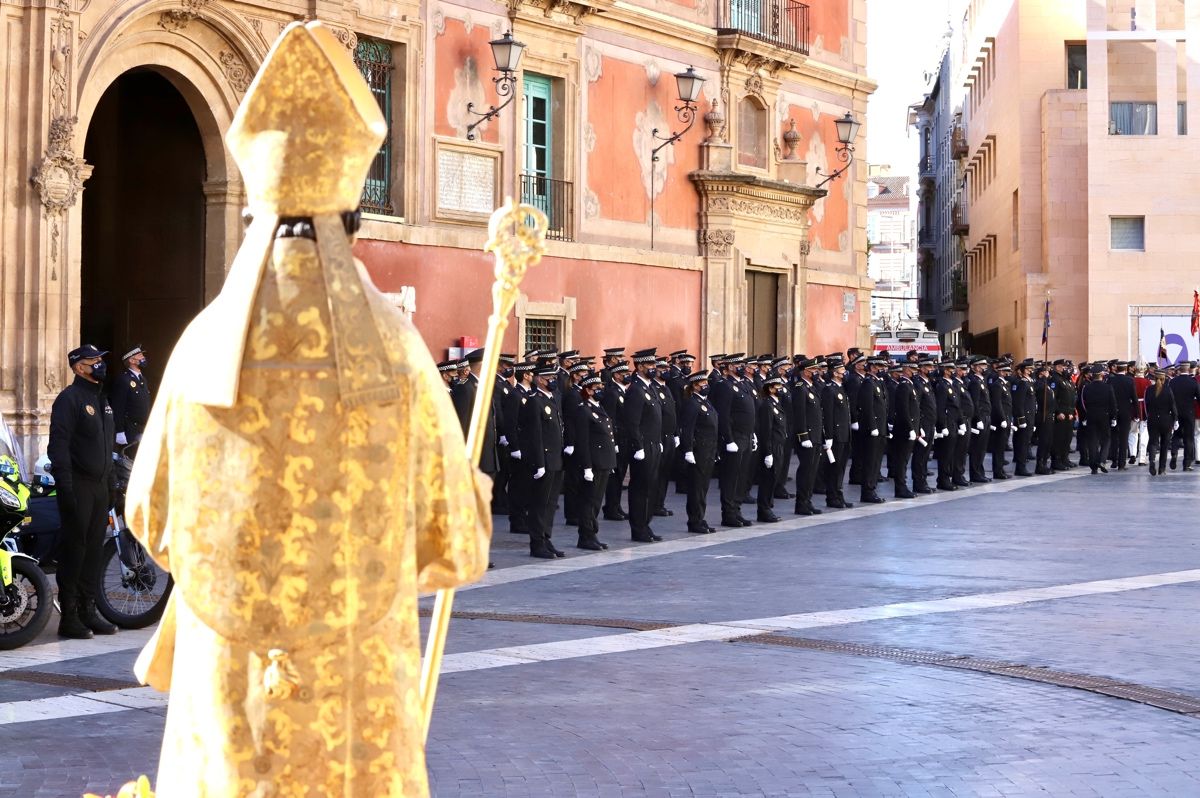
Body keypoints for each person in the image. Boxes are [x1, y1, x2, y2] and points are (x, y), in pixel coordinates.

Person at [48, 344, 118, 639]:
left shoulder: (101, 400)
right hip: (78, 485)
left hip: (100, 487)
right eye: (94, 361)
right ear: (79, 367)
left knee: (92, 551)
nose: (100, 364)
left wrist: (111, 483)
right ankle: (70, 616)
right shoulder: (69, 399)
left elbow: (107, 446)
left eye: (101, 360)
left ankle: (89, 611)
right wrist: (66, 488)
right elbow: (59, 447)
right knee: (74, 551)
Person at [520, 365, 566, 558]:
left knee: (550, 503)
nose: (552, 381)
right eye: (548, 378)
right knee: (539, 503)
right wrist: (539, 462)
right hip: (544, 460)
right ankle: (537, 544)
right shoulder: (534, 402)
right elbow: (535, 435)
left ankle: (546, 538)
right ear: (539, 380)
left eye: (553, 377)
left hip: (556, 459)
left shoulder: (553, 399)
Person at [622, 348, 664, 542]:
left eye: (654, 364)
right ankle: (638, 528)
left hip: (653, 444)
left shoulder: (649, 387)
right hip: (643, 447)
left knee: (650, 487)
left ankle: (646, 524)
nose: (653, 368)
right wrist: (638, 446)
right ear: (639, 367)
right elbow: (632, 422)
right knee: (640, 488)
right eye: (650, 365)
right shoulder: (635, 390)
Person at [568, 375, 614, 550]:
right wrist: (587, 467)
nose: (600, 390)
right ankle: (586, 536)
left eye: (601, 387)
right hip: (593, 463)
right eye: (597, 388)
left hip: (603, 462)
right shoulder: (583, 410)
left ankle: (592, 533)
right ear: (587, 390)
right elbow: (583, 441)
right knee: (588, 501)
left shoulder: (598, 407)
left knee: (596, 501)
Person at [711, 355, 756, 527]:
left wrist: (753, 435)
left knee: (741, 476)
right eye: (738, 364)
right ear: (729, 366)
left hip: (745, 437)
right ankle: (728, 513)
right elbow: (723, 415)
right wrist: (728, 439)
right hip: (734, 438)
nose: (741, 367)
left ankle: (737, 510)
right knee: (731, 477)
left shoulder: (742, 384)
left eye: (743, 364)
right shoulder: (725, 386)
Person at [679, 372, 718, 533]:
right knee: (696, 488)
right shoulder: (692, 403)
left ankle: (700, 518)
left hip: (708, 450)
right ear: (695, 385)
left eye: (706, 382)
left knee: (703, 487)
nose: (705, 385)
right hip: (698, 451)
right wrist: (688, 450)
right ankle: (694, 521)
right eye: (702, 383)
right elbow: (687, 429)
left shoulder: (705, 402)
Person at [791, 357, 825, 515]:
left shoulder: (812, 387)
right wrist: (803, 436)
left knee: (812, 471)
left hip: (816, 436)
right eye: (813, 370)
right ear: (805, 371)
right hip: (807, 437)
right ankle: (801, 503)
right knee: (806, 470)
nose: (816, 372)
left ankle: (808, 501)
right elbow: (799, 415)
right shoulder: (800, 388)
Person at [821, 357, 853, 509]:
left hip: (845, 434)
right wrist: (829, 436)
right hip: (836, 435)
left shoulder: (841, 388)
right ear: (835, 373)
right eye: (842, 370)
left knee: (841, 468)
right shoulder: (829, 390)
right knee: (834, 468)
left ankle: (839, 495)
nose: (845, 373)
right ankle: (832, 497)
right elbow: (828, 415)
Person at [754, 376, 786, 522]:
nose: (781, 389)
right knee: (767, 480)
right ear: (770, 388)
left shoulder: (776, 403)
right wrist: (768, 452)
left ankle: (768, 507)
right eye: (778, 386)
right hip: (771, 447)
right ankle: (764, 510)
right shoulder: (767, 405)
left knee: (773, 478)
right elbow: (766, 430)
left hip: (778, 445)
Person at [888, 362, 919, 499]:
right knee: (901, 461)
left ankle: (903, 486)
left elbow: (915, 410)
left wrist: (917, 428)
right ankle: (900, 488)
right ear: (905, 370)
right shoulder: (903, 386)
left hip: (910, 428)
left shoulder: (909, 385)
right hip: (903, 430)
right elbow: (904, 410)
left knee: (905, 460)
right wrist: (910, 428)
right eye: (912, 369)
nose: (915, 371)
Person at [109, 345, 152, 446]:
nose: (143, 358)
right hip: (130, 430)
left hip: (142, 428)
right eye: (140, 355)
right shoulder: (124, 380)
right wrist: (119, 431)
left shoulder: (142, 379)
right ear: (132, 360)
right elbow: (118, 407)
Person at [1079, 365, 1115, 474]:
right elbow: (1112, 403)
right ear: (1101, 375)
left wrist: (1085, 416)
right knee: (1106, 439)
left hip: (1091, 416)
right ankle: (1102, 460)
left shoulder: (1087, 387)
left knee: (1092, 441)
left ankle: (1093, 466)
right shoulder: (1108, 387)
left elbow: (1082, 403)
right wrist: (1113, 417)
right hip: (1104, 416)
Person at [911, 355, 938, 493]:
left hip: (930, 423)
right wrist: (919, 425)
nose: (931, 369)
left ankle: (923, 481)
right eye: (928, 367)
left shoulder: (928, 382)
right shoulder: (918, 383)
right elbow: (917, 406)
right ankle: (918, 483)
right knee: (920, 455)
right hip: (923, 424)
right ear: (921, 368)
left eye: (932, 367)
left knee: (926, 455)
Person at [1168, 363, 1200, 470]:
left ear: (1179, 369)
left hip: (1175, 412)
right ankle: (1187, 464)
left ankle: (1174, 453)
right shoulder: (1193, 382)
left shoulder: (1173, 382)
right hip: (1189, 412)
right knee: (1188, 438)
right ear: (1189, 369)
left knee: (1176, 435)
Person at [1145, 369, 1178, 476]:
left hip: (1153, 419)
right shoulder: (1168, 390)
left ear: (1154, 378)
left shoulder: (1149, 390)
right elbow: (1173, 407)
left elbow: (1147, 405)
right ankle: (1162, 469)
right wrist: (1175, 419)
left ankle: (1152, 461)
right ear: (1164, 379)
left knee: (1153, 442)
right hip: (1166, 420)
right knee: (1164, 445)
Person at [1108, 361, 1137, 471]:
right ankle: (1121, 463)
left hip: (1113, 411)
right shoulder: (1129, 380)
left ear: (1117, 369)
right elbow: (1134, 398)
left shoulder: (1111, 380)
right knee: (1124, 438)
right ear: (1125, 369)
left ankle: (1114, 461)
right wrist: (1137, 413)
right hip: (1126, 412)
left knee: (1114, 437)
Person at [1010, 359, 1036, 476]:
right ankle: (1020, 467)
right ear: (1023, 371)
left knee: (1026, 442)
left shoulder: (1029, 382)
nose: (1031, 371)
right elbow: (1018, 403)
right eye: (1028, 369)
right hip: (1025, 417)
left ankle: (1022, 465)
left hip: (1030, 417)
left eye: (1031, 369)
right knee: (1022, 443)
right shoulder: (1022, 383)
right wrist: (1021, 419)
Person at [988, 361, 1014, 479]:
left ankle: (1001, 470)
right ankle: (997, 471)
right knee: (998, 447)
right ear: (1001, 372)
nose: (1008, 373)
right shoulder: (997, 385)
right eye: (1006, 371)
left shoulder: (1005, 384)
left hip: (1007, 418)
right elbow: (997, 404)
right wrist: (1002, 418)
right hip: (1000, 420)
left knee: (1002, 446)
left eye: (1008, 371)